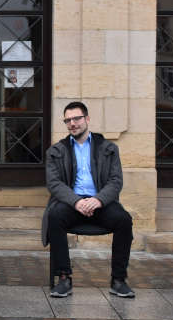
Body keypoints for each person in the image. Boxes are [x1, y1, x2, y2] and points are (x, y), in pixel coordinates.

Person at [43, 101, 135, 299]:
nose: (72, 123)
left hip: (100, 203)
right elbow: (54, 184)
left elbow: (115, 180)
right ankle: (64, 277)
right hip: (71, 203)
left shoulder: (108, 148)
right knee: (55, 216)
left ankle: (118, 280)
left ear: (87, 119)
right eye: (68, 120)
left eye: (76, 118)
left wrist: (98, 200)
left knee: (124, 220)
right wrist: (76, 201)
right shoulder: (56, 151)